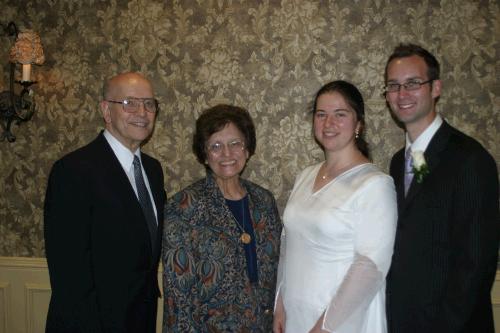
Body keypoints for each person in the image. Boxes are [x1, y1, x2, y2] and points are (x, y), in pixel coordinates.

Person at [384, 43, 499, 332]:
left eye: (412, 83)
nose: (402, 94)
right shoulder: (400, 162)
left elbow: (476, 265)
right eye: (393, 86)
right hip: (403, 320)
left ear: (436, 88)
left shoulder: (470, 160)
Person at [44, 72, 166, 333]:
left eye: (149, 104)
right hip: (90, 324)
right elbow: (69, 276)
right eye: (129, 103)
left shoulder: (153, 171)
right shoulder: (73, 171)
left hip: (140, 320)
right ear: (106, 111)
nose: (142, 112)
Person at [273, 80, 398, 333]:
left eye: (340, 114)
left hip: (341, 322)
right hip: (295, 316)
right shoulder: (305, 175)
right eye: (321, 114)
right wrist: (279, 302)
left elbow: (370, 268)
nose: (328, 123)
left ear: (358, 124)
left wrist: (325, 327)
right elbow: (288, 242)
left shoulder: (375, 185)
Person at [162, 104, 281, 332]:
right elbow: (178, 299)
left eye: (235, 143)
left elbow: (277, 275)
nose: (227, 154)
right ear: (205, 155)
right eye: (216, 146)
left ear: (247, 149)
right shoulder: (184, 207)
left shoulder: (264, 201)